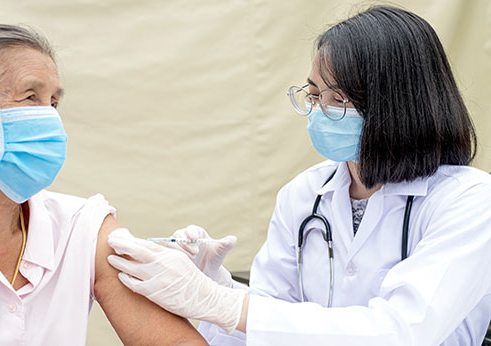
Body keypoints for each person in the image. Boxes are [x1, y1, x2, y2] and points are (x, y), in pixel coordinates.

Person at [105, 6, 491, 346]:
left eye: (338, 99)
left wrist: (221, 301)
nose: (319, 112)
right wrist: (215, 287)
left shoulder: (469, 201)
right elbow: (267, 329)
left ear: (399, 105)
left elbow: (401, 332)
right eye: (313, 95)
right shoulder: (304, 194)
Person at [0, 24, 208, 345]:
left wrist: (216, 301)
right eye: (30, 97)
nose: (51, 119)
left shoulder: (82, 228)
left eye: (54, 103)